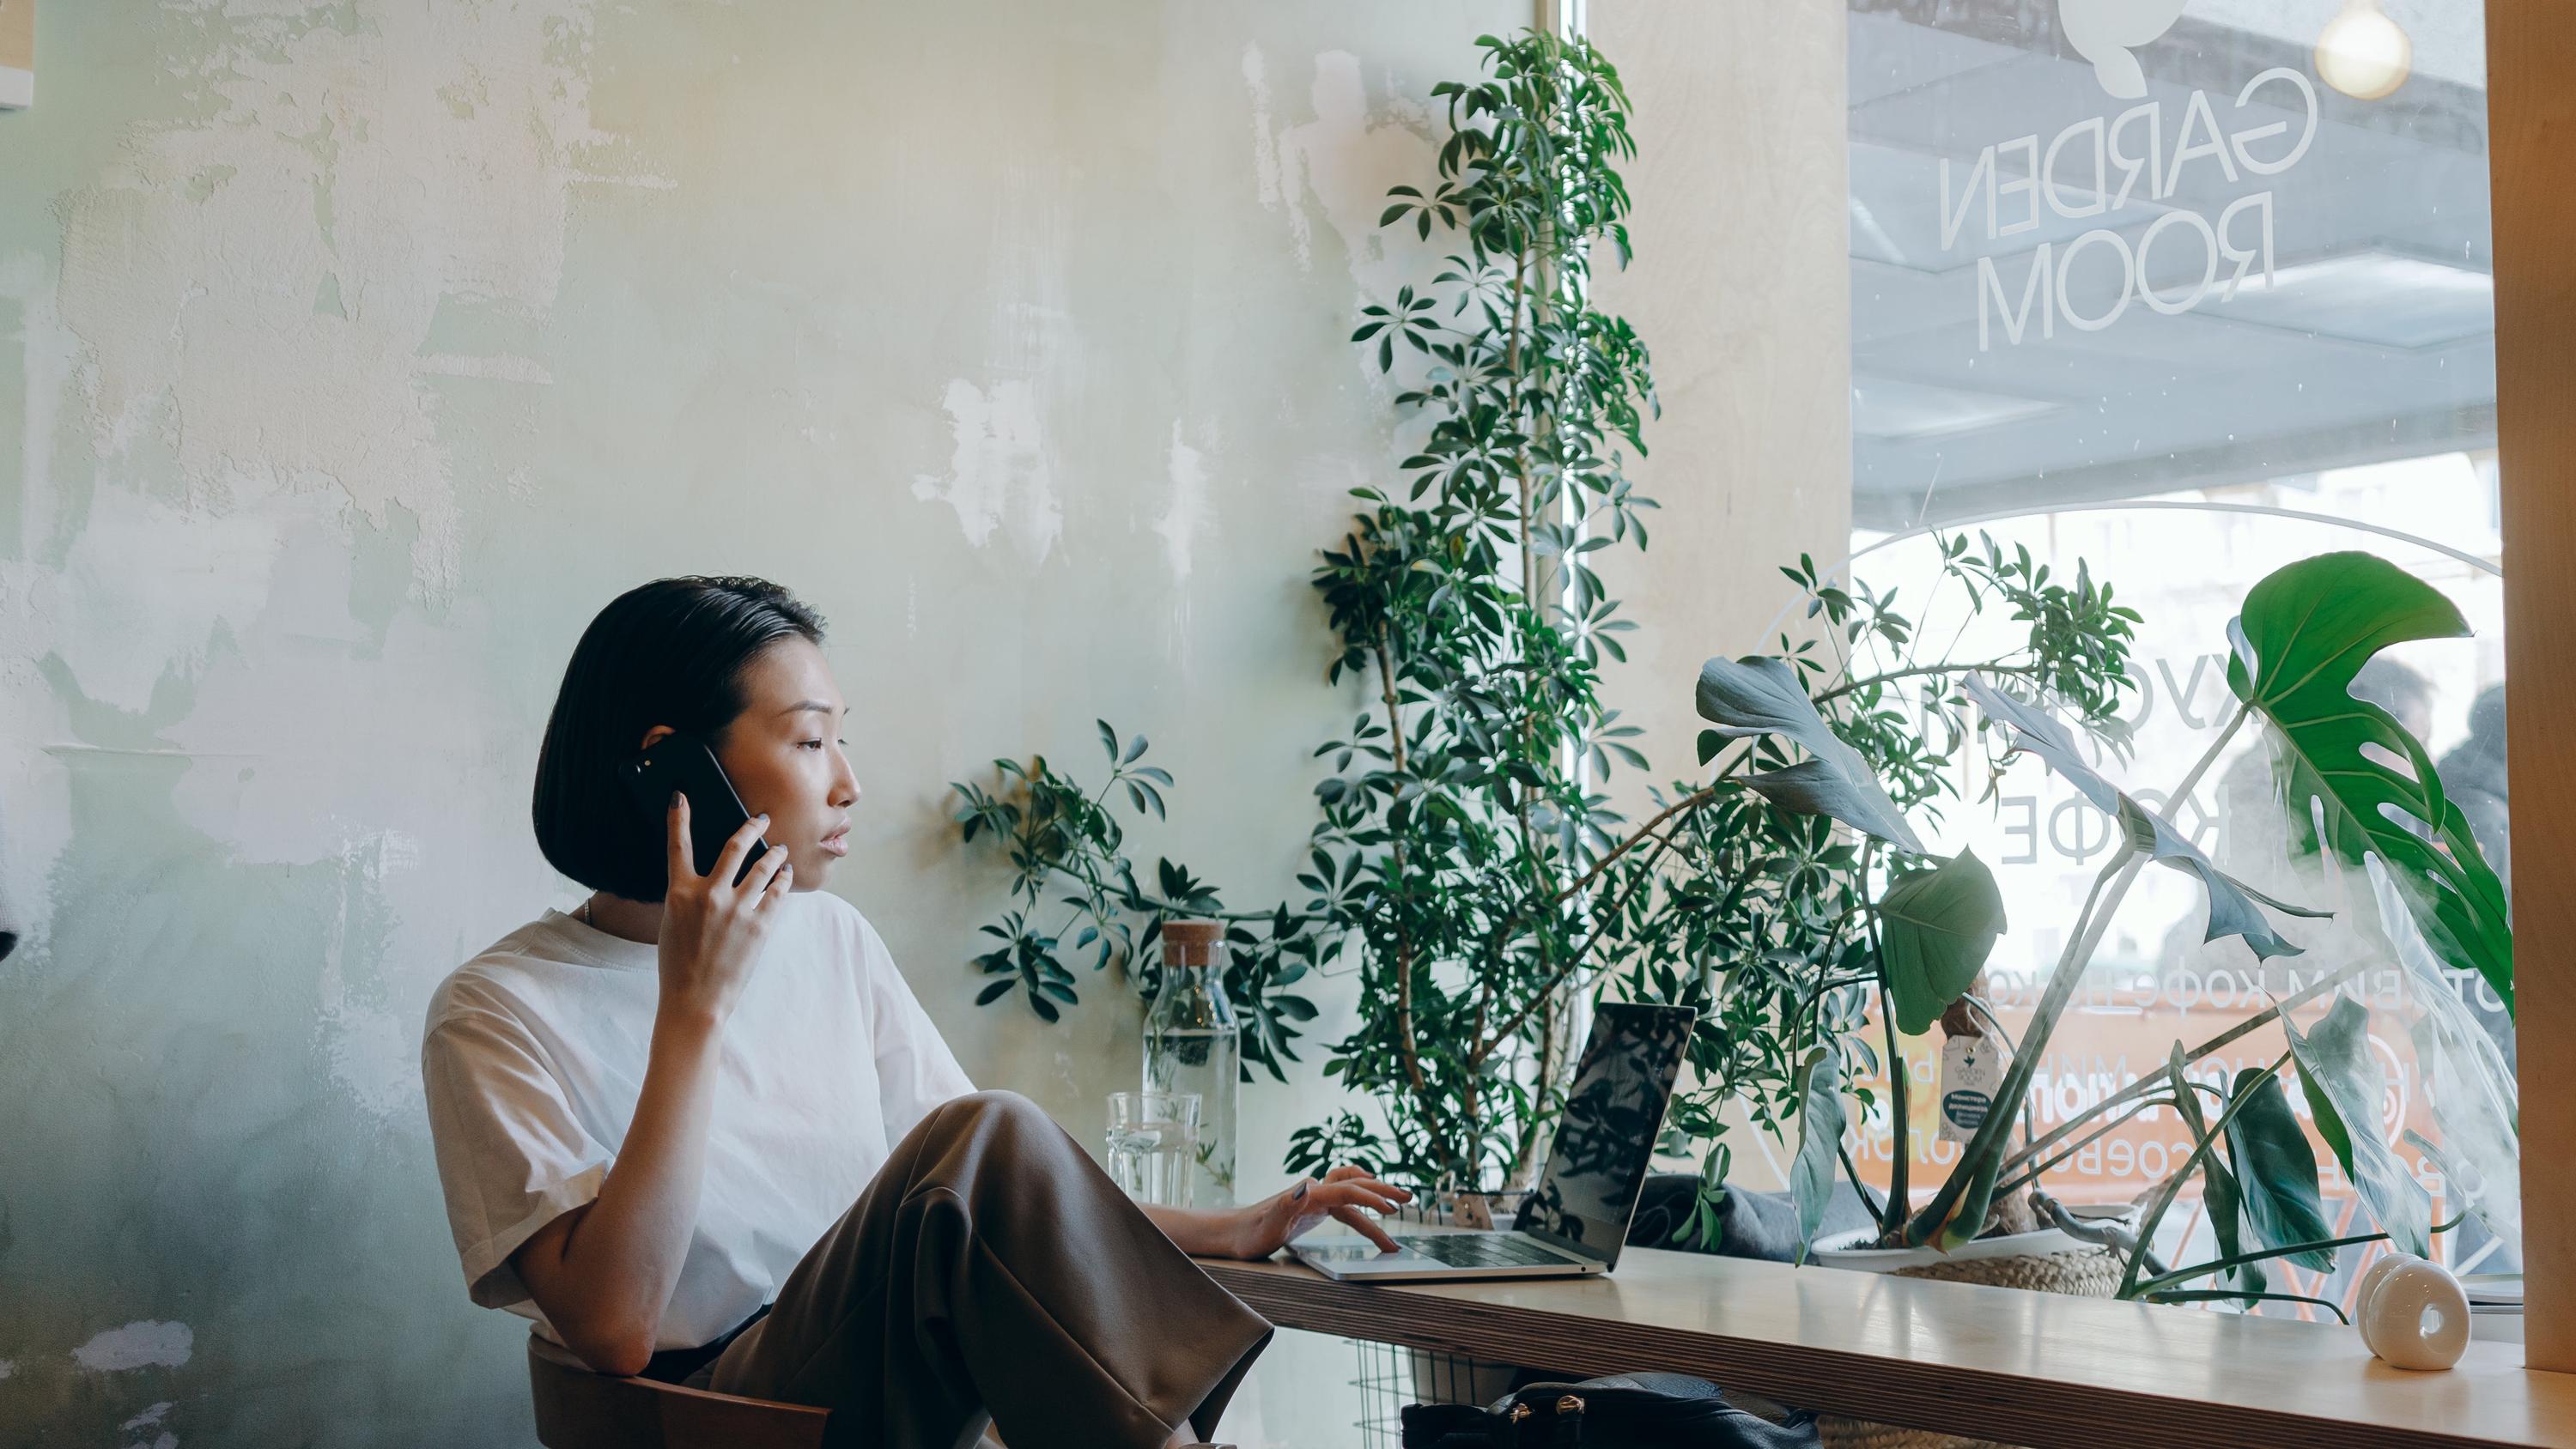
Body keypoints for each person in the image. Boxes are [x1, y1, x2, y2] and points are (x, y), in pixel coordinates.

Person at [421, 576, 1410, 1449]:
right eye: (811, 740)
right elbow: (614, 1325)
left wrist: (1225, 1227)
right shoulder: (497, 1009)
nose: (850, 783)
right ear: (671, 768)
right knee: (986, 1125)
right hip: (727, 1419)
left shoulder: (832, 940)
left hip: (894, 1378)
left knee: (984, 1130)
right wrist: (694, 1008)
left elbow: (994, 1202)